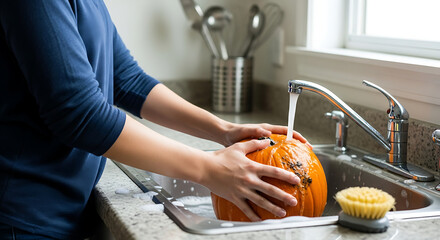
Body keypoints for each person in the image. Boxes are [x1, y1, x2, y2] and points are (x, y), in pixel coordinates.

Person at [0, 1, 311, 239]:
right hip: (25, 216)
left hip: (59, 208)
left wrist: (224, 130)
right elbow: (79, 113)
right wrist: (208, 168)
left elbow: (127, 80)